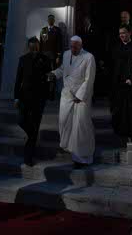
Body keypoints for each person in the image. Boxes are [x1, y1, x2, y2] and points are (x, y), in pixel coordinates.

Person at [49, 35, 96, 168]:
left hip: (80, 98)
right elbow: (64, 69)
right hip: (66, 95)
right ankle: (69, 149)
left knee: (80, 127)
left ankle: (82, 158)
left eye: (75, 47)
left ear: (81, 46)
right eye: (71, 46)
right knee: (64, 122)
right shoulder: (66, 54)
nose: (73, 49)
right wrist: (54, 73)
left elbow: (89, 79)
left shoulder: (89, 57)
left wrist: (80, 95)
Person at [14, 37, 51, 166]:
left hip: (39, 98)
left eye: (35, 47)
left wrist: (47, 94)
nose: (34, 49)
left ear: (38, 46)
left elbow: (49, 78)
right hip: (24, 97)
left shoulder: (45, 59)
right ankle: (32, 135)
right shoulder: (23, 59)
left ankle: (28, 157)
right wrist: (16, 97)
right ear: (28, 47)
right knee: (21, 120)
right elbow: (18, 80)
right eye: (31, 47)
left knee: (35, 125)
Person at [109, 25, 132, 144]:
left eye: (124, 33)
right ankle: (122, 136)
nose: (122, 35)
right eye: (120, 33)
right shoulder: (116, 49)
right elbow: (113, 67)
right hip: (120, 86)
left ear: (130, 33)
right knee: (121, 112)